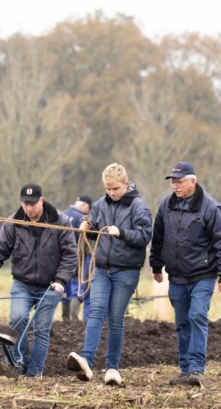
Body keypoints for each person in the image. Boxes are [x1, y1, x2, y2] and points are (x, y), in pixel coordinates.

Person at [0, 183, 77, 377]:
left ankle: (35, 374)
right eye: (25, 204)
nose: (29, 208)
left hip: (51, 285)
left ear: (41, 201)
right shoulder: (13, 222)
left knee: (41, 329)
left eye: (32, 204)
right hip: (23, 283)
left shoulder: (60, 221)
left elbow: (70, 255)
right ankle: (18, 363)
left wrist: (61, 280)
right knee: (17, 319)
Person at [149, 161, 221, 388]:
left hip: (203, 274)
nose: (175, 186)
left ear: (192, 181)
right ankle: (185, 370)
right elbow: (158, 237)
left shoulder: (211, 208)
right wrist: (156, 266)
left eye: (179, 182)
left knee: (197, 316)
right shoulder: (166, 205)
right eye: (173, 182)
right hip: (176, 276)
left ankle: (197, 369)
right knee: (182, 323)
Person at [67, 163, 152, 385]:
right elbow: (95, 232)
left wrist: (121, 232)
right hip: (101, 268)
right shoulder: (99, 205)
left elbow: (144, 236)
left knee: (115, 318)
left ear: (126, 184)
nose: (111, 193)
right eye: (108, 189)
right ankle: (86, 361)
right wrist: (88, 227)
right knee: (95, 311)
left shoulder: (138, 206)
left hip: (126, 271)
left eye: (115, 188)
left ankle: (112, 367)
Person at [61, 195, 92, 322]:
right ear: (85, 205)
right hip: (77, 258)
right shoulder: (83, 218)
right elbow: (86, 240)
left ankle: (65, 317)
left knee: (64, 285)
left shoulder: (62, 214)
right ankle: (74, 319)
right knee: (76, 287)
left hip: (61, 258)